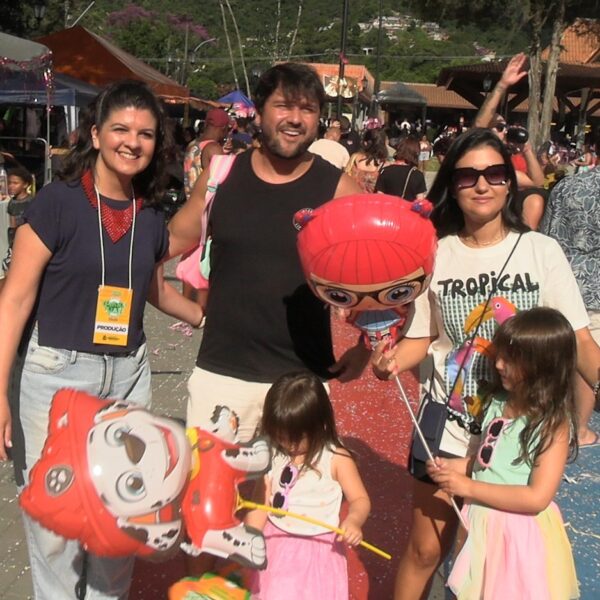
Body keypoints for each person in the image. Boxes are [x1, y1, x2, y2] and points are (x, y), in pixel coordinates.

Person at [371, 128, 600, 600]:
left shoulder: (541, 251)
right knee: (426, 550)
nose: (482, 185)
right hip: (447, 425)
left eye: (494, 173)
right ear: (451, 184)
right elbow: (422, 338)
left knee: (494, 555)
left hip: (516, 429)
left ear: (509, 183)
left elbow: (578, 340)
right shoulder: (435, 253)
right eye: (467, 175)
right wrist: (389, 361)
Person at [0, 80, 203, 600]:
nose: (132, 142)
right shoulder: (55, 204)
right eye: (120, 129)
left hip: (128, 379)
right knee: (56, 529)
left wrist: (205, 315)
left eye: (145, 133)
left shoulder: (149, 214)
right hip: (55, 380)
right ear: (95, 134)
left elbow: (151, 287)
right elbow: (15, 300)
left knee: (121, 523)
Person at [167, 62, 367, 446]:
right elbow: (168, 241)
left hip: (302, 382)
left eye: (307, 109)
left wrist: (366, 347)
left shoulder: (339, 190)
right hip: (222, 378)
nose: (295, 119)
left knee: (298, 487)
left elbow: (383, 270)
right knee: (208, 485)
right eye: (283, 106)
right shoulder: (221, 177)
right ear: (259, 112)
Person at [427, 307, 579, 600]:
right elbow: (491, 462)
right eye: (500, 355)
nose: (498, 364)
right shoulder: (498, 403)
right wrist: (455, 467)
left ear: (542, 365)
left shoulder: (552, 425)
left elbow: (537, 497)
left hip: (515, 539)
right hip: (482, 526)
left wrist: (468, 487)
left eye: (510, 359)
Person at [246, 371, 371, 600]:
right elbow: (260, 502)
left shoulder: (336, 458)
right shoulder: (273, 452)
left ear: (319, 425)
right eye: (280, 436)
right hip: (276, 542)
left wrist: (354, 520)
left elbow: (360, 499)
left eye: (294, 439)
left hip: (318, 548)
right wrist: (249, 536)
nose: (287, 445)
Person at [540, 165, 600, 447]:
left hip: (561, 276)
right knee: (587, 354)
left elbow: (547, 232)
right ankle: (580, 428)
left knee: (559, 351)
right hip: (595, 285)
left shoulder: (567, 185)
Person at [475, 53, 546, 229]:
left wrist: (527, 150)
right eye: (499, 127)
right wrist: (502, 86)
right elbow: (479, 126)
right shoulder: (477, 149)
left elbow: (537, 183)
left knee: (535, 197)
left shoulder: (506, 161)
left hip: (502, 218)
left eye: (505, 127)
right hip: (477, 214)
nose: (504, 131)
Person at [183, 108, 230, 200]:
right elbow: (222, 183)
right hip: (207, 205)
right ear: (224, 127)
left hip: (191, 204)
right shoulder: (214, 149)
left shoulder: (192, 144)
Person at [345, 128, 388, 193]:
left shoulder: (355, 158)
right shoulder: (385, 166)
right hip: (373, 199)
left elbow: (346, 176)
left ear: (365, 143)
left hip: (353, 196)